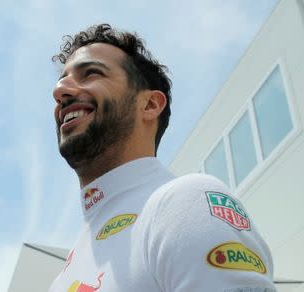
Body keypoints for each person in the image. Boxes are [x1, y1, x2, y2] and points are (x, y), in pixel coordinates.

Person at [49, 24, 276, 292]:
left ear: (150, 105)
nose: (60, 89)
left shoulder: (185, 201)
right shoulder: (64, 274)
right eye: (63, 78)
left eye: (91, 73)